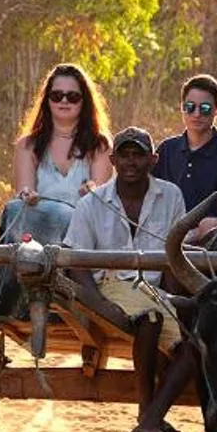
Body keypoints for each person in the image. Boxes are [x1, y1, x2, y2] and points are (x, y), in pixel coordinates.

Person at [0, 62, 113, 317]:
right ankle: (10, 296)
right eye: (57, 96)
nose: (64, 101)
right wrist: (28, 194)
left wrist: (92, 188)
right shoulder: (28, 145)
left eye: (73, 96)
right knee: (15, 209)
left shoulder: (100, 145)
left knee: (74, 216)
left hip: (81, 227)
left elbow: (100, 191)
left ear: (84, 101)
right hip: (37, 224)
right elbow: (24, 188)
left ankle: (70, 294)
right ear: (47, 100)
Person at [69, 126, 189, 378]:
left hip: (155, 291)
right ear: (113, 161)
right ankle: (147, 410)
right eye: (124, 155)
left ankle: (150, 415)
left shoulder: (171, 196)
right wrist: (98, 306)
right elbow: (77, 263)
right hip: (108, 287)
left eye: (139, 155)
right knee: (151, 319)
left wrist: (176, 303)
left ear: (153, 160)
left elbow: (174, 257)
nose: (131, 162)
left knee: (191, 350)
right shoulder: (91, 203)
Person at [154, 72, 217, 245]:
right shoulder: (166, 150)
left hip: (212, 247)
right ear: (182, 108)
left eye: (205, 108)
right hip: (162, 241)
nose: (197, 114)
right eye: (190, 107)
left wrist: (198, 233)